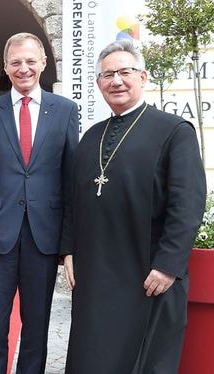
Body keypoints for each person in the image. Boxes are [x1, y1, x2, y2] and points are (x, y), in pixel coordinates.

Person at [63, 39, 206, 374]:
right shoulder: (91, 137)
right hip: (96, 276)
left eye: (124, 72)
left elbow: (187, 203)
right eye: (108, 74)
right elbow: (72, 199)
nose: (116, 81)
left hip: (148, 274)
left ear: (142, 77)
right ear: (98, 84)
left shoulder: (174, 131)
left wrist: (169, 264)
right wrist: (67, 249)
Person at [0, 32, 79, 374]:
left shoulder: (65, 110)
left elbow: (70, 179)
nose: (24, 68)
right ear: (5, 66)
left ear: (44, 63)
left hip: (44, 236)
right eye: (16, 62)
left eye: (30, 61)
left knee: (37, 327)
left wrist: (68, 243)